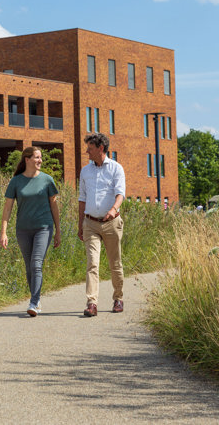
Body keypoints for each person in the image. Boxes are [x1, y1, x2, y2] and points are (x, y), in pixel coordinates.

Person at [0, 146, 61, 317]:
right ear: (27, 160)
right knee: (29, 267)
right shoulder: (16, 182)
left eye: (41, 157)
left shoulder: (48, 180)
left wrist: (58, 230)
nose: (40, 160)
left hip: (44, 227)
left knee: (36, 263)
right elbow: (7, 209)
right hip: (23, 229)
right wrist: (3, 232)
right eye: (36, 157)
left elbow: (54, 207)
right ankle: (36, 299)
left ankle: (34, 302)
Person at [78, 133, 125, 317]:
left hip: (111, 223)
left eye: (90, 148)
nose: (86, 151)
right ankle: (92, 303)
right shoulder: (85, 171)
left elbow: (120, 194)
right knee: (92, 264)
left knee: (115, 263)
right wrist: (80, 224)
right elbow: (82, 198)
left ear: (100, 148)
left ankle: (118, 298)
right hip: (90, 223)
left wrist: (113, 209)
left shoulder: (116, 169)